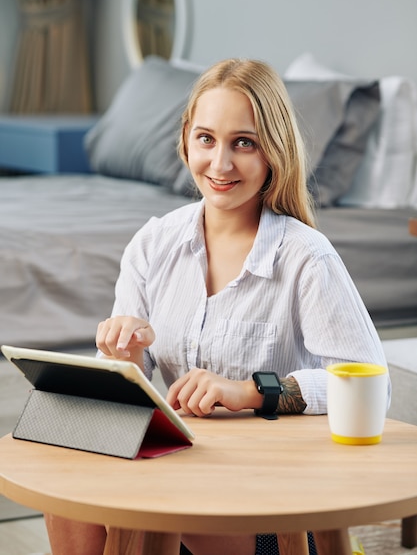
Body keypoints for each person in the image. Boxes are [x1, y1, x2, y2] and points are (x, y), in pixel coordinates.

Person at [44, 58, 389, 555]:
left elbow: (370, 384)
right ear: (186, 140)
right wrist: (122, 359)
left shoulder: (306, 257)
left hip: (277, 503)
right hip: (185, 470)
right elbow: (127, 392)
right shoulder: (152, 244)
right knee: (70, 484)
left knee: (160, 501)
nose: (221, 165)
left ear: (274, 151)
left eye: (243, 143)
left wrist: (250, 392)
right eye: (206, 139)